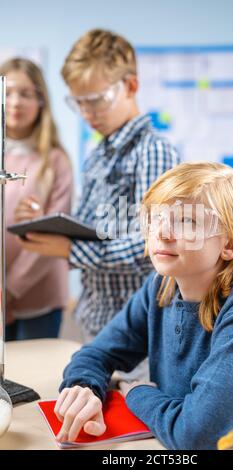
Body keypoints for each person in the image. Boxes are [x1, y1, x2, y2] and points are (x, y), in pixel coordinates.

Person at [52, 162, 233, 450]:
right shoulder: (161, 286)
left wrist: (137, 392)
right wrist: (84, 387)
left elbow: (197, 435)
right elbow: (97, 353)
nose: (162, 233)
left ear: (231, 244)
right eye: (156, 218)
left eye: (188, 222)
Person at [19, 29, 179, 342]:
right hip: (95, 318)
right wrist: (49, 226)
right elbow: (90, 228)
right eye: (78, 103)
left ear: (131, 86)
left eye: (96, 101)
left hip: (137, 327)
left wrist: (71, 250)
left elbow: (153, 244)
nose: (87, 113)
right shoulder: (97, 156)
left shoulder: (153, 150)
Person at [0, 57, 73, 341]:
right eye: (7, 93)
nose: (15, 102)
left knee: (33, 377)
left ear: (41, 101)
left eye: (26, 93)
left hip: (40, 295)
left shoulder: (55, 161)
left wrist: (9, 289)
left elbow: (52, 233)